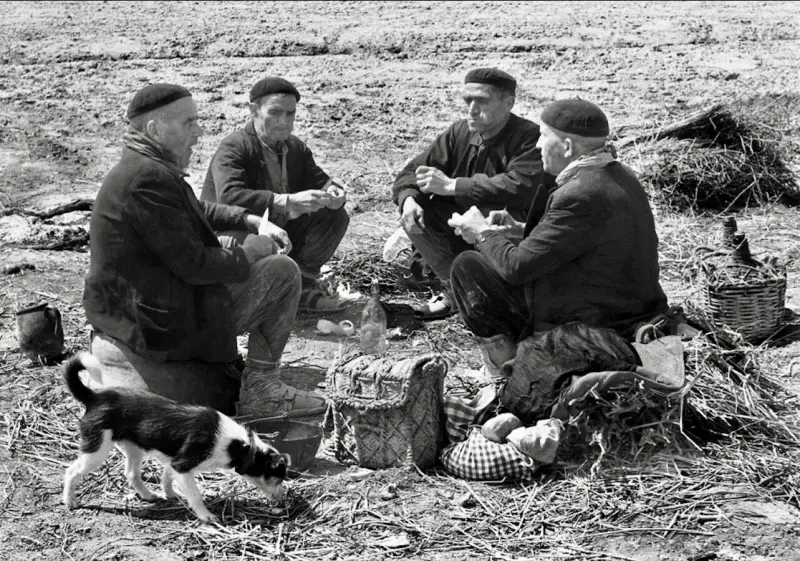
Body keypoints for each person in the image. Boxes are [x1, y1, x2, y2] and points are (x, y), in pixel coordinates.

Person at [83, 83, 325, 418]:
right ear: (155, 129)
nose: (198, 133)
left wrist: (252, 221)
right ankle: (262, 391)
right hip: (153, 323)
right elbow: (195, 265)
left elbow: (195, 209)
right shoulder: (146, 178)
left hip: (147, 307)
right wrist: (250, 251)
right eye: (188, 124)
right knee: (282, 272)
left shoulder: (146, 166)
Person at [447, 98, 669, 381]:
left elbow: (516, 268)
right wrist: (518, 229)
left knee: (469, 267)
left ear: (566, 146)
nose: (538, 145)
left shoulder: (580, 193)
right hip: (625, 305)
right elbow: (584, 237)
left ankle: (504, 373)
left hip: (602, 323)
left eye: (543, 136)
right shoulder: (617, 175)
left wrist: (482, 232)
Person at [390, 67, 554, 320]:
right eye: (468, 100)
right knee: (417, 218)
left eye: (482, 101)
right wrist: (409, 198)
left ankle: (501, 292)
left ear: (508, 103)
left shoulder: (529, 137)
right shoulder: (459, 133)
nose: (472, 109)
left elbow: (519, 187)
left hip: (509, 235)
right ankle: (457, 290)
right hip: (461, 229)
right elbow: (413, 171)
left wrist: (453, 186)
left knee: (498, 217)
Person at [201, 77, 349, 312]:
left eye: (290, 114)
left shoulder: (295, 148)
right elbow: (230, 197)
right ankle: (262, 294)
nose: (284, 122)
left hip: (278, 230)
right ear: (254, 111)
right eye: (275, 113)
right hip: (233, 233)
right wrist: (286, 201)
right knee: (261, 245)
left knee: (334, 217)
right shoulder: (234, 146)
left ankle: (302, 283)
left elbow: (322, 182)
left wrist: (334, 195)